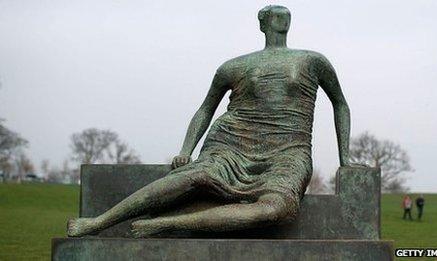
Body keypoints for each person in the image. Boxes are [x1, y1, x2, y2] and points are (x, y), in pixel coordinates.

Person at [67, 5, 352, 238]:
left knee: (276, 210)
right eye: (273, 15)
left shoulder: (313, 61)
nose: (281, 16)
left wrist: (346, 157)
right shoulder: (234, 66)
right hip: (232, 143)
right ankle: (98, 223)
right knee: (195, 176)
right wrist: (186, 150)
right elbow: (206, 108)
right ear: (262, 24)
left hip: (289, 151)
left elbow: (340, 103)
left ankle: (166, 224)